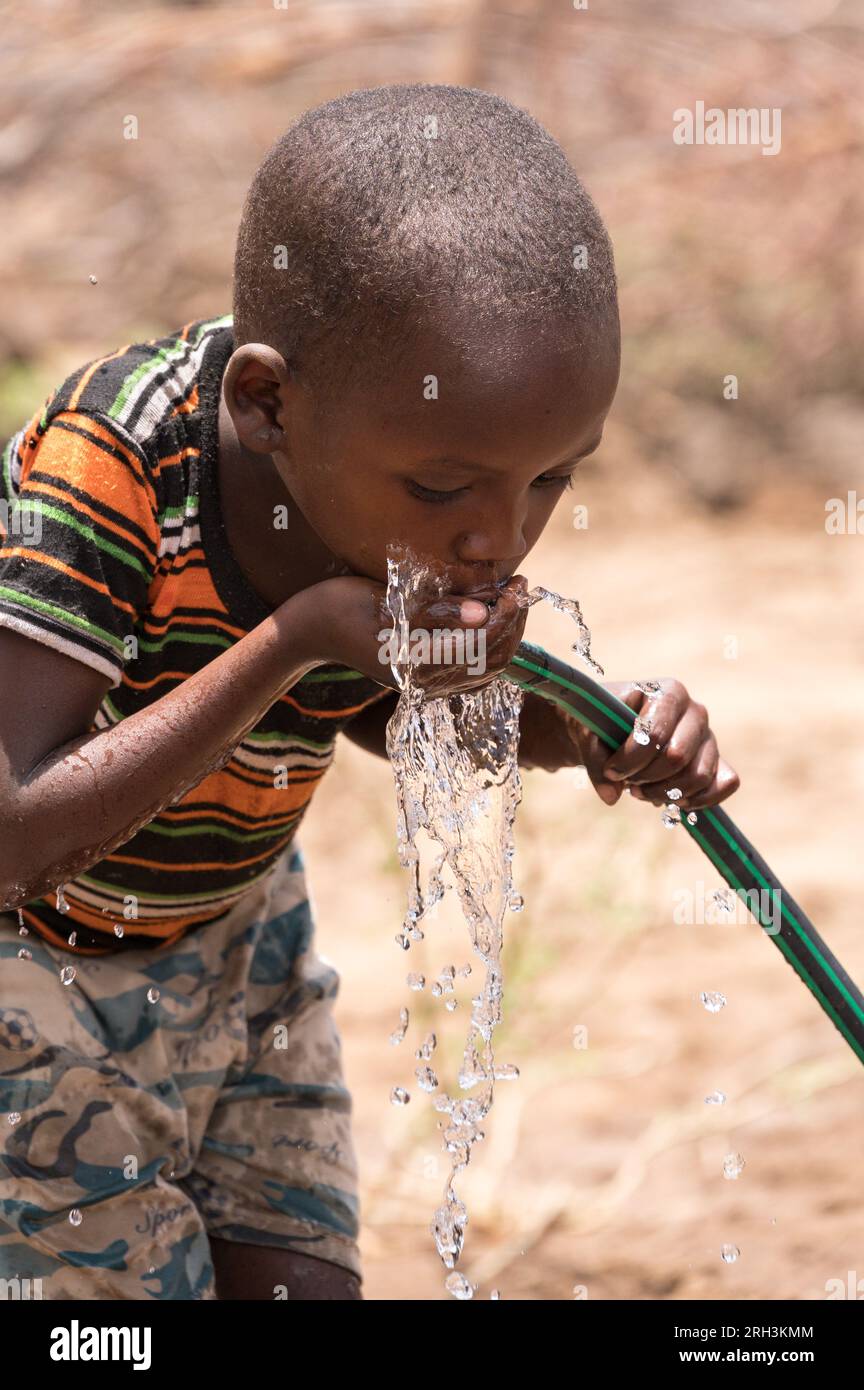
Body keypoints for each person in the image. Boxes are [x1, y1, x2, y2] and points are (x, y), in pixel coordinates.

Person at [0, 83, 738, 1301]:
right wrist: (299, 639)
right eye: (448, 488)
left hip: (236, 936)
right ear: (267, 404)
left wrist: (605, 733)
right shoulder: (114, 469)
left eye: (551, 478)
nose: (499, 540)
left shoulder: (373, 469)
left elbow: (398, 706)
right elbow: (13, 833)